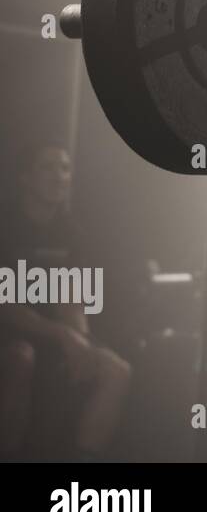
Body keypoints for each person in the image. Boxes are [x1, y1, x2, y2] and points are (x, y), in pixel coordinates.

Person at [0, 143, 132, 460]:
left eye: (65, 168)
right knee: (22, 356)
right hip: (11, 332)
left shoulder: (72, 233)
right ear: (25, 177)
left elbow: (72, 300)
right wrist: (62, 335)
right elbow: (6, 303)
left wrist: (82, 342)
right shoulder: (6, 225)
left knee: (117, 370)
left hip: (56, 335)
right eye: (48, 167)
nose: (59, 176)